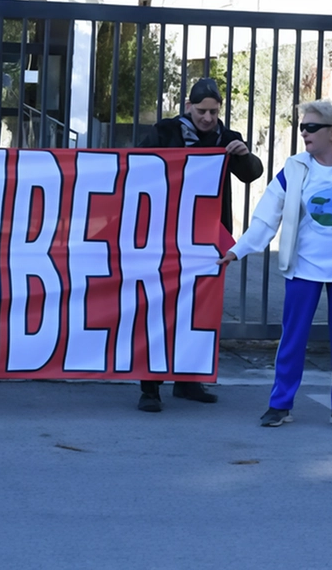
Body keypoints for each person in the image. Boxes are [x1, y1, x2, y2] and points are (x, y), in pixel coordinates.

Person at [218, 99, 332, 431]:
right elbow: (266, 216)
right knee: (293, 338)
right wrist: (237, 250)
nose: (304, 133)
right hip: (303, 267)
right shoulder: (296, 168)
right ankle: (279, 404)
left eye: (311, 127)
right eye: (301, 127)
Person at [134, 77, 264, 412]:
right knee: (159, 309)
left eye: (214, 111)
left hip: (206, 237)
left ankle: (187, 381)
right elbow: (139, 166)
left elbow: (252, 174)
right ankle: (150, 388)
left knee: (197, 309)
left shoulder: (227, 138)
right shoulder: (165, 131)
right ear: (189, 106)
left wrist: (245, 155)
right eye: (202, 111)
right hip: (165, 234)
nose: (208, 118)